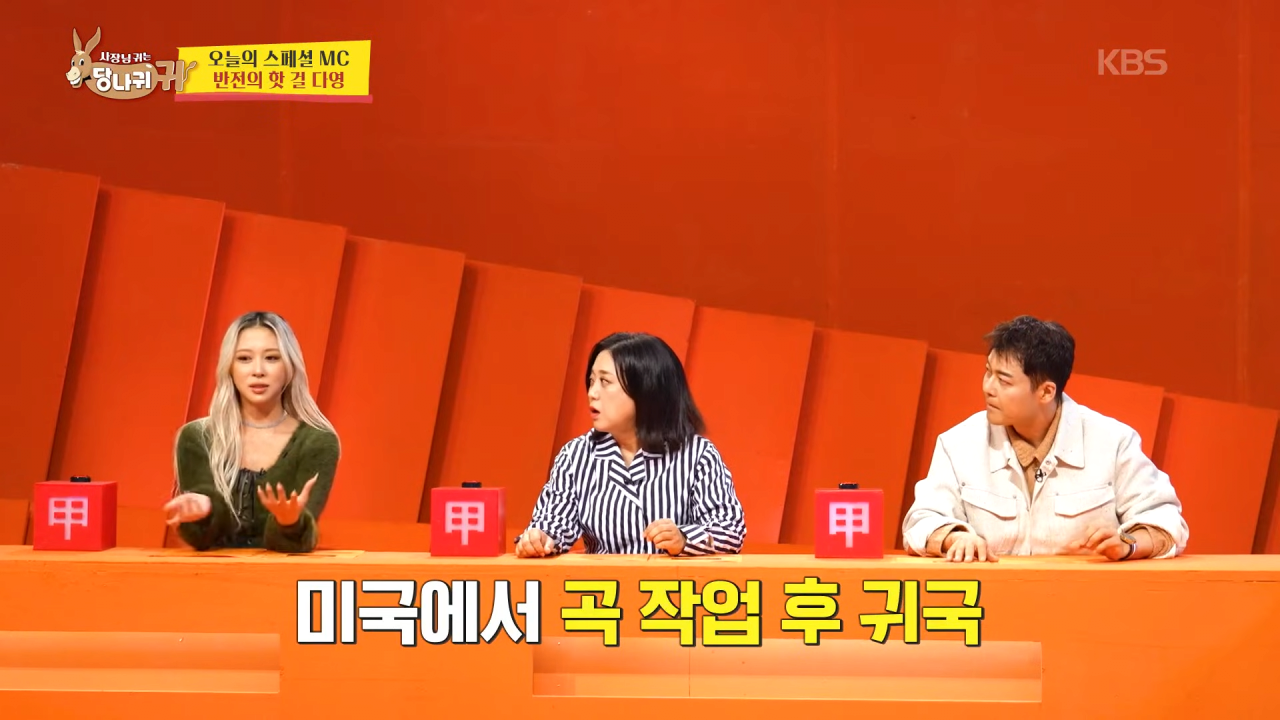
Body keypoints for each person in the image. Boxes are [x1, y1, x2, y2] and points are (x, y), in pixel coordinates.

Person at [901, 315, 1189, 562]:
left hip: (1085, 601)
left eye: (1004, 380)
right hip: (993, 601)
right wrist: (955, 537)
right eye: (988, 372)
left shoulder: (1113, 442)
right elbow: (921, 520)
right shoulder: (958, 444)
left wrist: (1129, 544)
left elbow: (1166, 520)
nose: (988, 387)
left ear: (1046, 392)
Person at [516, 332, 746, 557]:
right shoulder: (575, 456)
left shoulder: (697, 455)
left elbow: (730, 529)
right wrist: (539, 539)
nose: (592, 393)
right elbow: (552, 524)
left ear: (646, 389)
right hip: (602, 583)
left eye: (605, 382)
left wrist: (684, 539)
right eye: (591, 381)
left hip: (670, 583)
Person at [163, 311, 340, 553]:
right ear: (229, 367)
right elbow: (202, 540)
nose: (258, 370)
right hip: (210, 574)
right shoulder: (197, 438)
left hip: (283, 573)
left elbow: (297, 543)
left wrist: (289, 523)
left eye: (272, 358)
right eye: (244, 358)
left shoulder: (318, 443)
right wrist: (203, 512)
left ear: (289, 367)